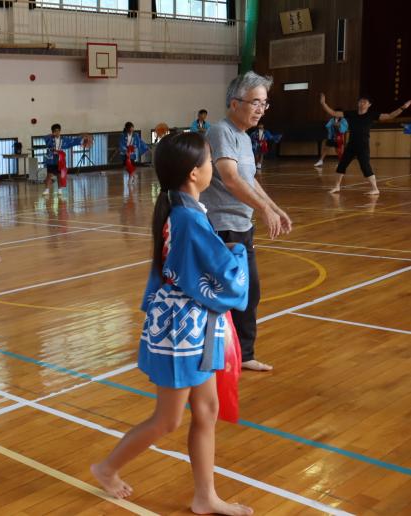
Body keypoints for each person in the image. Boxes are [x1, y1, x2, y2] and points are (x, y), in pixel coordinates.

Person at [90, 132, 252, 516]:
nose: (213, 167)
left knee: (207, 409)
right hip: (182, 329)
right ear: (195, 173)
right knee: (168, 420)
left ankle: (204, 496)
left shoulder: (184, 210)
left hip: (194, 324)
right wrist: (239, 251)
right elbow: (226, 277)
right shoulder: (186, 218)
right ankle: (107, 468)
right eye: (210, 161)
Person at [200, 71, 293, 372]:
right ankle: (212, 356)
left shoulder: (243, 137)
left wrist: (274, 208)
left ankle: (244, 354)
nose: (260, 109)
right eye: (255, 102)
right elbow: (230, 179)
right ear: (234, 102)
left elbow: (250, 180)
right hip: (221, 227)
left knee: (249, 293)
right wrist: (264, 211)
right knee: (222, 297)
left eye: (264, 104)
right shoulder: (220, 132)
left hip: (242, 227)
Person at [320, 94, 410, 195]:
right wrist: (324, 103)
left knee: (365, 167)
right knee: (341, 165)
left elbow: (390, 116)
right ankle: (337, 187)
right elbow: (334, 112)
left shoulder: (371, 115)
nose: (362, 103)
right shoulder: (351, 113)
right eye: (360, 101)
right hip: (351, 145)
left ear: (369, 105)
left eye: (364, 102)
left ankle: (375, 189)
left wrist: (403, 107)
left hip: (363, 146)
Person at [42, 124, 88, 196]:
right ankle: (47, 190)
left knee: (59, 175)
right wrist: (51, 135)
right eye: (55, 131)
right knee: (49, 175)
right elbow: (45, 138)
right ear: (53, 132)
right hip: (51, 159)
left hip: (60, 158)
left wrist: (82, 139)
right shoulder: (49, 138)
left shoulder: (64, 139)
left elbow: (73, 141)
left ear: (60, 131)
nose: (57, 133)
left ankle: (60, 190)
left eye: (58, 131)